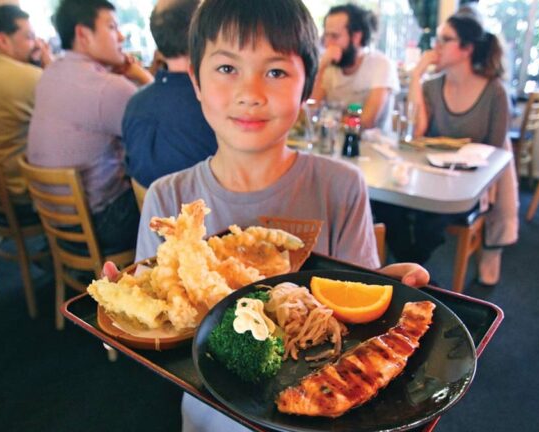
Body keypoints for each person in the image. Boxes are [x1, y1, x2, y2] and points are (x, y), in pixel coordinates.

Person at [102, 0, 429, 430]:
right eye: (226, 68)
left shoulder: (340, 186)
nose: (251, 93)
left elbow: (354, 309)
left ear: (307, 84)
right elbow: (157, 329)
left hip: (320, 408)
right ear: (195, 80)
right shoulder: (168, 197)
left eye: (276, 71)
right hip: (207, 416)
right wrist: (123, 317)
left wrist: (389, 286)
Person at [403, 9, 518, 286]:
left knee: (430, 220)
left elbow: (495, 151)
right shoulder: (431, 87)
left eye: (445, 40)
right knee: (388, 210)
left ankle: (410, 271)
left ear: (467, 48)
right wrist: (417, 75)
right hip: (430, 178)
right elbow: (416, 133)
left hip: (470, 185)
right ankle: (413, 274)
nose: (436, 46)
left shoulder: (495, 92)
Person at [27, 0, 153, 254]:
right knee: (173, 190)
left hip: (56, 222)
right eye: (112, 26)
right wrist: (142, 76)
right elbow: (166, 125)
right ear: (83, 34)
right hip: (102, 223)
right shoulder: (108, 87)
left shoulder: (50, 73)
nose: (121, 35)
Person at [121, 0, 216, 189]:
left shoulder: (135, 104)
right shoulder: (215, 105)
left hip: (151, 216)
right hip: (209, 216)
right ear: (203, 31)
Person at [0, 5, 53, 196]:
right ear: (3, 40)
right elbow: (74, 116)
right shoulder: (28, 76)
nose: (38, 44)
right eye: (29, 37)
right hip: (18, 190)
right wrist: (51, 68)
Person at [310, 3, 399, 131]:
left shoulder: (380, 64)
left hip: (372, 146)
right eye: (326, 36)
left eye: (334, 36)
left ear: (357, 37)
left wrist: (328, 119)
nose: (327, 43)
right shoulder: (328, 65)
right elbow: (309, 114)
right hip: (332, 144)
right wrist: (321, 67)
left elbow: (366, 122)